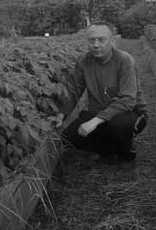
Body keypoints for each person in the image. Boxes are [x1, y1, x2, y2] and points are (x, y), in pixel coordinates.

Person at [61, 21, 147, 162]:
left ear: (112, 41)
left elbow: (128, 100)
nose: (95, 45)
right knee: (67, 137)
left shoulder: (124, 60)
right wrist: (61, 115)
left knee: (119, 125)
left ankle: (125, 152)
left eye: (101, 40)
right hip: (99, 113)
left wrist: (94, 122)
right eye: (91, 40)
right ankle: (110, 149)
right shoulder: (84, 61)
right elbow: (75, 91)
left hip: (130, 113)